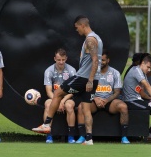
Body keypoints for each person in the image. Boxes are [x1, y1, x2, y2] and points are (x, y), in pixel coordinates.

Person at [39, 15, 103, 145]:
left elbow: (95, 60)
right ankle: (89, 138)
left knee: (57, 93)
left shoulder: (90, 40)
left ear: (83, 25)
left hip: (84, 78)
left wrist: (89, 80)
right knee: (86, 109)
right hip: (93, 79)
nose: (76, 30)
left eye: (77, 27)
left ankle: (46, 125)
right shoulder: (97, 38)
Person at [75, 50, 130, 144]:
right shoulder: (91, 72)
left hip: (109, 100)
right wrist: (95, 98)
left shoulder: (115, 73)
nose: (100, 62)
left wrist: (106, 100)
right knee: (81, 107)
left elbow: (117, 92)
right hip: (94, 100)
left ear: (108, 60)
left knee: (123, 107)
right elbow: (85, 89)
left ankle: (124, 137)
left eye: (103, 60)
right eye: (99, 60)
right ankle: (82, 136)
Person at [32, 48, 77, 143]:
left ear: (66, 58)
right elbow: (48, 91)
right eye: (59, 60)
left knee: (69, 106)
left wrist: (62, 101)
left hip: (67, 97)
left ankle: (71, 136)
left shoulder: (72, 70)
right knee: (48, 104)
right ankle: (48, 135)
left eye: (63, 60)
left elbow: (72, 91)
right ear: (54, 59)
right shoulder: (49, 71)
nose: (61, 62)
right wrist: (57, 101)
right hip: (53, 97)